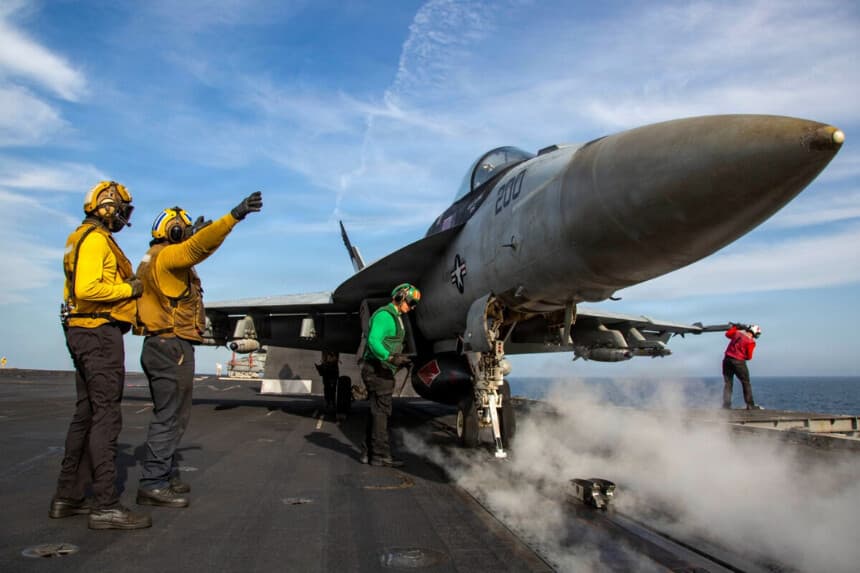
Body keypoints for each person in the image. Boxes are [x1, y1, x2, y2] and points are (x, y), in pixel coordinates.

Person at [135, 192, 262, 508]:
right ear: (174, 232)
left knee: (174, 415)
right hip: (170, 345)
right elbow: (198, 248)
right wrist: (234, 216)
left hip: (163, 344)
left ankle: (163, 476)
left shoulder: (153, 258)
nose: (188, 232)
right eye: (184, 228)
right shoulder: (167, 257)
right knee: (169, 417)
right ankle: (153, 483)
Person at [51, 181, 151, 530]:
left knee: (86, 413)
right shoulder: (95, 240)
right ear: (107, 207)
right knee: (106, 417)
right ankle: (106, 505)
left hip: (81, 331)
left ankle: (69, 496)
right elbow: (87, 288)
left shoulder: (78, 238)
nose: (125, 216)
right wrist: (129, 288)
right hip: (97, 333)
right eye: (122, 208)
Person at [359, 283, 421, 467]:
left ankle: (367, 451)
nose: (412, 307)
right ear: (400, 297)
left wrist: (400, 358)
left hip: (381, 369)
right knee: (382, 413)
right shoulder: (385, 315)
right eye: (410, 302)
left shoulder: (397, 316)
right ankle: (380, 456)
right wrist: (390, 357)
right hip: (377, 369)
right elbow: (373, 340)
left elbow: (389, 342)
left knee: (376, 411)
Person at [722, 323, 763, 410]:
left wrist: (736, 327)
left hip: (727, 360)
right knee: (746, 382)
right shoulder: (751, 342)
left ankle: (726, 405)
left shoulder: (737, 333)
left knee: (728, 383)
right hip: (739, 362)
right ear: (754, 332)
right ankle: (750, 405)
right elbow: (749, 356)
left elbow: (727, 334)